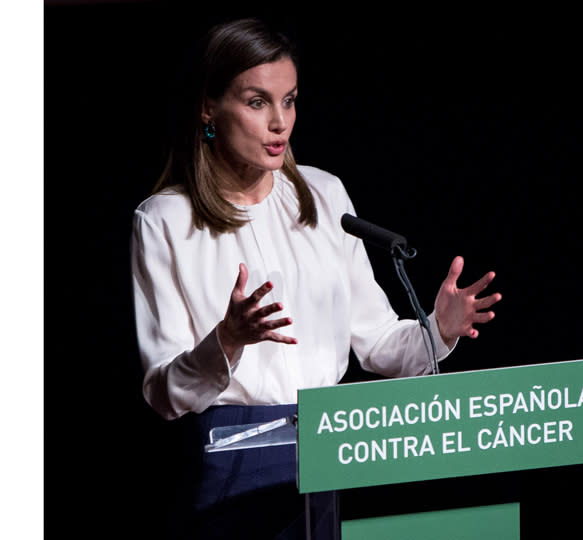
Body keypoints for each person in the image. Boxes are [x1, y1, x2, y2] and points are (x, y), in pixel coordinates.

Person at [130, 17, 501, 540]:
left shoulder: (326, 197)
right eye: (257, 102)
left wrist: (436, 328)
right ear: (208, 108)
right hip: (229, 473)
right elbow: (164, 393)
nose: (280, 122)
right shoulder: (165, 220)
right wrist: (227, 341)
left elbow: (377, 346)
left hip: (330, 450)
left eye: (290, 100)